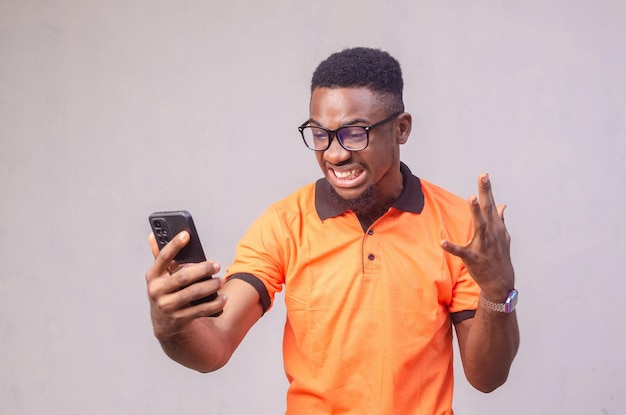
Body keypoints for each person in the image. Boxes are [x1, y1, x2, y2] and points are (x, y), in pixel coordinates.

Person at [145, 47, 520, 414]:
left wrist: (497, 291)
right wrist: (171, 327)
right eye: (320, 134)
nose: (334, 154)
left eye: (355, 133)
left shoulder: (458, 225)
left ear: (401, 129)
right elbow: (215, 346)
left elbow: (487, 377)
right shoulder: (284, 223)